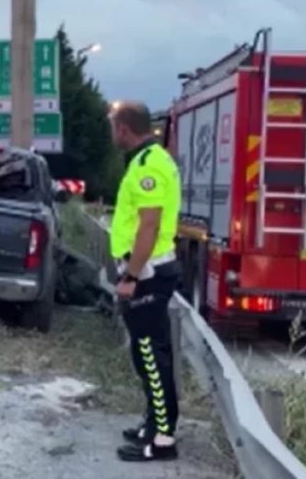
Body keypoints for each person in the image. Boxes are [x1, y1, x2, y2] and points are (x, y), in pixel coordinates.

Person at [107, 100, 183, 463]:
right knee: (147, 354)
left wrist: (131, 276)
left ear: (123, 128)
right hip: (149, 270)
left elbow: (148, 227)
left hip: (148, 273)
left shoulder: (148, 165)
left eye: (113, 126)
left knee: (152, 356)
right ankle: (153, 425)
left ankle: (163, 440)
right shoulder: (150, 158)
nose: (112, 133)